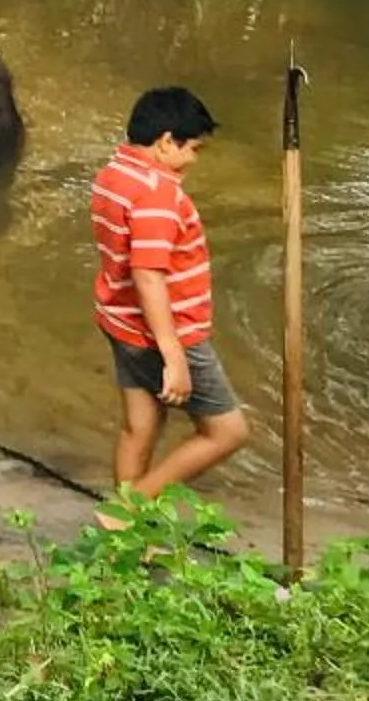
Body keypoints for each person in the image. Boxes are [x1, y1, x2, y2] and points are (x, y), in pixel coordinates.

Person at [91, 86, 251, 507]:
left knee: (139, 426)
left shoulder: (113, 175)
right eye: (193, 149)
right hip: (165, 331)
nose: (193, 160)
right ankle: (128, 511)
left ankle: (127, 538)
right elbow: (148, 275)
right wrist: (175, 355)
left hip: (119, 321)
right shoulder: (158, 194)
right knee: (228, 431)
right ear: (165, 142)